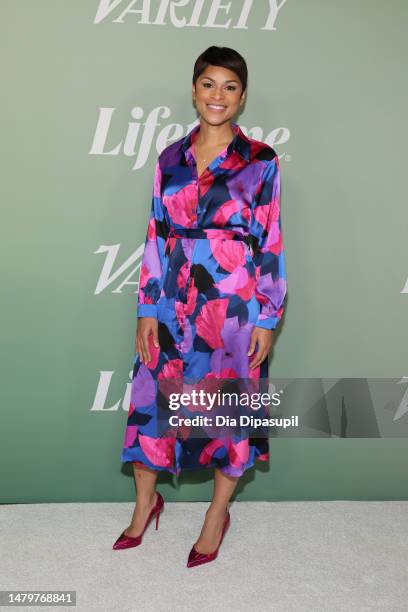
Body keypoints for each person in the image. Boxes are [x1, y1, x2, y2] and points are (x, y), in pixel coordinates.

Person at [113, 46, 287, 567]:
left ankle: (217, 514)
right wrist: (147, 305)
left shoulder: (260, 161)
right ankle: (146, 502)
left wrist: (267, 315)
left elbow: (270, 240)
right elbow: (155, 231)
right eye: (209, 84)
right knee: (151, 405)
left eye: (230, 87)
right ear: (194, 90)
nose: (218, 96)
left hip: (231, 305)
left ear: (242, 96)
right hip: (169, 298)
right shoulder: (170, 158)